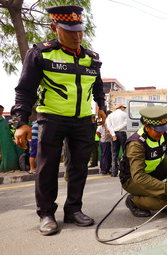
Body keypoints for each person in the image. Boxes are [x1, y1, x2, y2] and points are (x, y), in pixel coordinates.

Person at [11, 5, 106, 236]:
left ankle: (74, 210)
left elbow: (98, 85)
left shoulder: (91, 58)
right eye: (69, 30)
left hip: (83, 120)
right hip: (51, 119)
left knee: (79, 168)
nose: (77, 36)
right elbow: (25, 91)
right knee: (46, 168)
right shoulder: (40, 54)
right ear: (54, 27)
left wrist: (101, 106)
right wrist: (21, 122)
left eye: (80, 30)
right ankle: (46, 214)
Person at [106, 103, 127, 177]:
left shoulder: (111, 115)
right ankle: (125, 171)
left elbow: (108, 125)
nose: (124, 108)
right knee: (125, 153)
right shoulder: (125, 114)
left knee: (114, 154)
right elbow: (125, 124)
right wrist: (117, 129)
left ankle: (114, 172)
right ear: (121, 107)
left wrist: (113, 134)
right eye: (123, 107)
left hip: (114, 135)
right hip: (122, 134)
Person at [96, 110, 112, 175]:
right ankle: (105, 170)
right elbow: (98, 132)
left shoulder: (104, 121)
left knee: (104, 156)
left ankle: (104, 169)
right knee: (105, 156)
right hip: (106, 141)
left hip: (103, 141)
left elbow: (98, 131)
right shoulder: (106, 122)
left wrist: (101, 137)